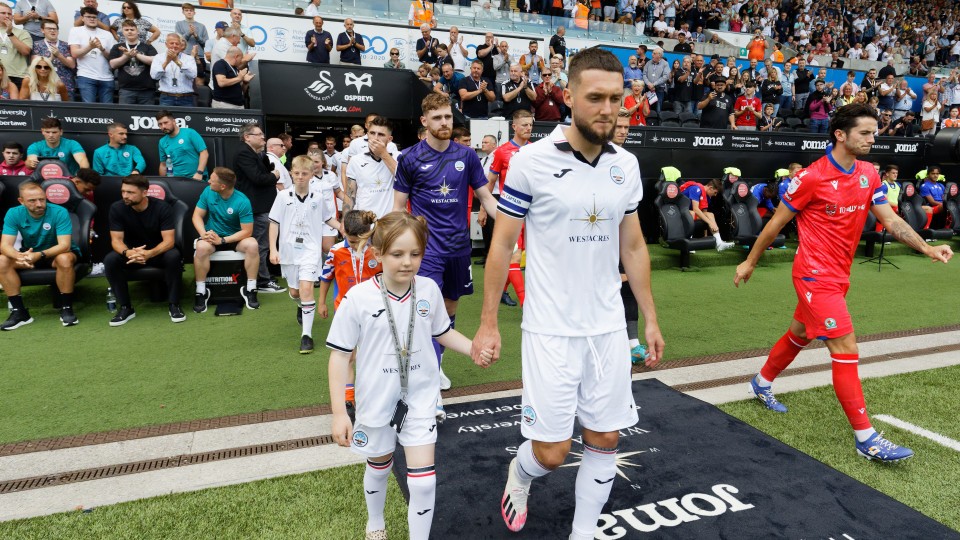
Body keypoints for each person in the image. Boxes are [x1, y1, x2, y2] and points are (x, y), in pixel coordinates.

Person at [471, 48, 663, 540]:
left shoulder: (626, 164)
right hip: (550, 330)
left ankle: (582, 532)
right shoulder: (531, 162)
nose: (607, 109)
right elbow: (503, 245)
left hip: (606, 328)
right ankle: (521, 473)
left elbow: (635, 244)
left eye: (616, 99)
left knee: (606, 437)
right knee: (552, 454)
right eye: (595, 97)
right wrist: (489, 322)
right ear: (569, 95)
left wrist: (650, 317)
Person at [735, 103, 953, 463]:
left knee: (800, 334)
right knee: (846, 347)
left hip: (839, 276)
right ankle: (866, 439)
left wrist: (927, 248)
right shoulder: (812, 178)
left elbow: (891, 220)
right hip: (813, 275)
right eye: (865, 133)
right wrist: (749, 261)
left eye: (874, 132)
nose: (873, 138)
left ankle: (760, 383)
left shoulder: (868, 172)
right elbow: (774, 224)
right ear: (840, 134)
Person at [328, 211, 493, 540]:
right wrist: (337, 413)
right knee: (379, 466)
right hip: (376, 398)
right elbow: (339, 357)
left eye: (415, 254)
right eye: (397, 254)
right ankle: (375, 522)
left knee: (424, 480)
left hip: (419, 397)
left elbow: (443, 332)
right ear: (378, 255)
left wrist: (472, 347)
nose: (407, 262)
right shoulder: (358, 298)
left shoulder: (429, 289)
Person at [393, 93, 499, 399]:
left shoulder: (465, 156)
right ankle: (425, 379)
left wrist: (512, 226)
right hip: (426, 251)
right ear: (425, 121)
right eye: (437, 117)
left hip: (458, 248)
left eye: (448, 117)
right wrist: (399, 247)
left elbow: (487, 198)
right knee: (425, 311)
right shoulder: (409, 158)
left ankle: (435, 365)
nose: (444, 123)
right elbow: (399, 208)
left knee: (450, 308)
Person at [268, 155, 340, 353]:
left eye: (304, 173)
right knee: (295, 292)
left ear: (311, 175)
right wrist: (273, 249)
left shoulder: (317, 197)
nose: (300, 177)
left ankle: (306, 336)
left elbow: (328, 219)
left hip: (310, 250)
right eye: (297, 173)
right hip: (289, 251)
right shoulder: (282, 197)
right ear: (291, 173)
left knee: (307, 288)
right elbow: (274, 223)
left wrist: (345, 228)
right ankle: (301, 306)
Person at [318, 209, 379, 416]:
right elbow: (326, 277)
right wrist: (321, 303)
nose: (355, 246)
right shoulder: (335, 251)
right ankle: (348, 398)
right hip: (345, 309)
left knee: (374, 354)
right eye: (351, 241)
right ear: (343, 231)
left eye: (358, 242)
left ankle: (374, 394)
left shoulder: (377, 251)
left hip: (374, 311)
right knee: (349, 355)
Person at [104, 175, 184, 326]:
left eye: (130, 192)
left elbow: (169, 241)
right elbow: (116, 240)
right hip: (132, 254)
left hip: (157, 252)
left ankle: (174, 305)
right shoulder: (117, 208)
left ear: (144, 192)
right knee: (110, 260)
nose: (125, 196)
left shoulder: (162, 207)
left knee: (173, 256)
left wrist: (149, 254)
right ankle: (126, 308)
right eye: (123, 192)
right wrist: (128, 253)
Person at [0, 180, 79, 329]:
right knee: (2, 261)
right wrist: (19, 256)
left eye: (42, 199)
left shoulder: (59, 211)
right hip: (30, 254)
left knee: (64, 259)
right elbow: (5, 246)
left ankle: (67, 308)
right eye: (32, 201)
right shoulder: (13, 213)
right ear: (21, 201)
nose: (39, 204)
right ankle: (20, 313)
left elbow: (64, 245)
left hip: (56, 253)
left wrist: (39, 255)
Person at [191, 166, 260, 313]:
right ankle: (201, 291)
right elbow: (196, 216)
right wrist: (203, 234)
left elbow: (247, 231)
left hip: (234, 238)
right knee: (201, 248)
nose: (208, 181)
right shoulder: (208, 191)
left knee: (253, 245)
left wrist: (223, 240)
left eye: (212, 180)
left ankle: (251, 289)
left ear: (223, 186)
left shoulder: (242, 201)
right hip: (211, 236)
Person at [484, 110, 533, 307]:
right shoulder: (502, 151)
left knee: (526, 256)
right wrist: (482, 210)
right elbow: (490, 182)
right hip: (509, 213)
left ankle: (503, 291)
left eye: (530, 124)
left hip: (531, 213)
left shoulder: (535, 150)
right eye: (524, 125)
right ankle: (526, 304)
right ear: (514, 127)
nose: (528, 128)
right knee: (514, 255)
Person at [232, 123, 284, 294]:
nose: (263, 137)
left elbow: (262, 171)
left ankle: (263, 276)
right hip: (257, 207)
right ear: (247, 137)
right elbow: (258, 178)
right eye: (259, 134)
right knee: (261, 245)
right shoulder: (243, 153)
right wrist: (274, 176)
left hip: (262, 206)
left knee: (263, 244)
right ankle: (262, 280)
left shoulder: (255, 154)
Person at [343, 116, 397, 219]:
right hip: (363, 223)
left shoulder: (398, 157)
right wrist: (344, 221)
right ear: (367, 135)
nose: (375, 138)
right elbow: (350, 195)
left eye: (381, 134)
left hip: (389, 223)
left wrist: (383, 154)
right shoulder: (356, 160)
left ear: (389, 139)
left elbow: (403, 178)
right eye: (372, 133)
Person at [69, 6, 115, 103]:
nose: (92, 19)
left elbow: (112, 58)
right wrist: (90, 47)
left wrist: (102, 49)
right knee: (89, 111)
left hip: (107, 77)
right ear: (82, 18)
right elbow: (74, 54)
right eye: (88, 16)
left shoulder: (107, 34)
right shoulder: (75, 31)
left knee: (108, 112)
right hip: (86, 76)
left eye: (94, 17)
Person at [108, 19, 157, 105]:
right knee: (125, 116)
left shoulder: (147, 46)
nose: (129, 32)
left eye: (132, 29)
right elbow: (113, 64)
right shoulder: (117, 47)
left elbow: (154, 61)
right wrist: (126, 56)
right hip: (126, 90)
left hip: (147, 91)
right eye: (126, 30)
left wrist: (136, 55)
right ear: (122, 32)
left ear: (137, 32)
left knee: (146, 116)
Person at [680, 178, 733, 250]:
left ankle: (719, 242)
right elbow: (696, 209)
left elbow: (704, 213)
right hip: (679, 212)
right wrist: (710, 223)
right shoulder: (696, 189)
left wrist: (706, 234)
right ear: (710, 188)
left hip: (689, 213)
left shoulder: (707, 197)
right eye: (715, 192)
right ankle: (689, 245)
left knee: (710, 214)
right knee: (692, 213)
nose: (715, 195)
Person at [156, 110, 207, 179]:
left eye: (166, 122)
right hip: (175, 180)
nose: (163, 126)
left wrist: (199, 173)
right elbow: (163, 164)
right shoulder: (162, 142)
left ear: (174, 121)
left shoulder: (190, 133)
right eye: (160, 124)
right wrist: (164, 180)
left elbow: (204, 153)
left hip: (196, 177)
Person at [32, 20, 76, 98]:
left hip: (66, 84)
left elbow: (72, 65)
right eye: (49, 28)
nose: (52, 31)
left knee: (67, 109)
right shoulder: (37, 44)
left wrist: (59, 55)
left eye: (54, 29)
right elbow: (35, 65)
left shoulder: (65, 45)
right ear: (42, 30)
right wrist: (51, 58)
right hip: (44, 86)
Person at [151, 33, 197, 107]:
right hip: (166, 98)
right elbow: (155, 76)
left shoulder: (189, 58)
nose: (174, 46)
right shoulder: (158, 57)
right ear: (166, 44)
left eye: (177, 44)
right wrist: (166, 62)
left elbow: (193, 75)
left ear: (181, 45)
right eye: (171, 43)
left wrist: (176, 61)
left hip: (186, 98)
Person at [0, 3, 32, 89]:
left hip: (17, 75)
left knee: (17, 102)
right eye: (3, 13)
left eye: (9, 14)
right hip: (0, 75)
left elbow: (26, 51)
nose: (7, 16)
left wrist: (10, 33)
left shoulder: (22, 32)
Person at [643, 47, 669, 112]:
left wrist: (654, 84)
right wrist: (649, 84)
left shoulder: (665, 64)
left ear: (659, 55)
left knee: (658, 108)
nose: (652, 55)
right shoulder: (648, 63)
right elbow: (644, 74)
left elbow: (666, 76)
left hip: (659, 89)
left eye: (654, 53)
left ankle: (658, 121)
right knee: (647, 107)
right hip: (648, 89)